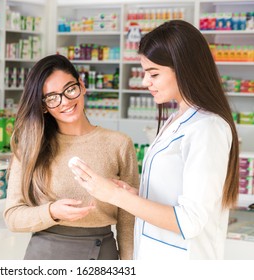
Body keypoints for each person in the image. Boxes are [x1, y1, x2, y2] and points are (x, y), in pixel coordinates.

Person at [69, 20, 240, 260]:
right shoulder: (176, 120)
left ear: (184, 69)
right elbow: (175, 195)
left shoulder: (207, 128)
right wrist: (137, 194)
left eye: (154, 74)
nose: (145, 82)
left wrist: (117, 197)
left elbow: (189, 221)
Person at [3, 54, 139, 260]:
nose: (65, 101)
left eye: (70, 89)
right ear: (43, 106)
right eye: (52, 97)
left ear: (82, 86)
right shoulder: (30, 148)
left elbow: (128, 220)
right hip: (44, 256)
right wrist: (52, 212)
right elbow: (12, 217)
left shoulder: (119, 143)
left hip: (103, 253)